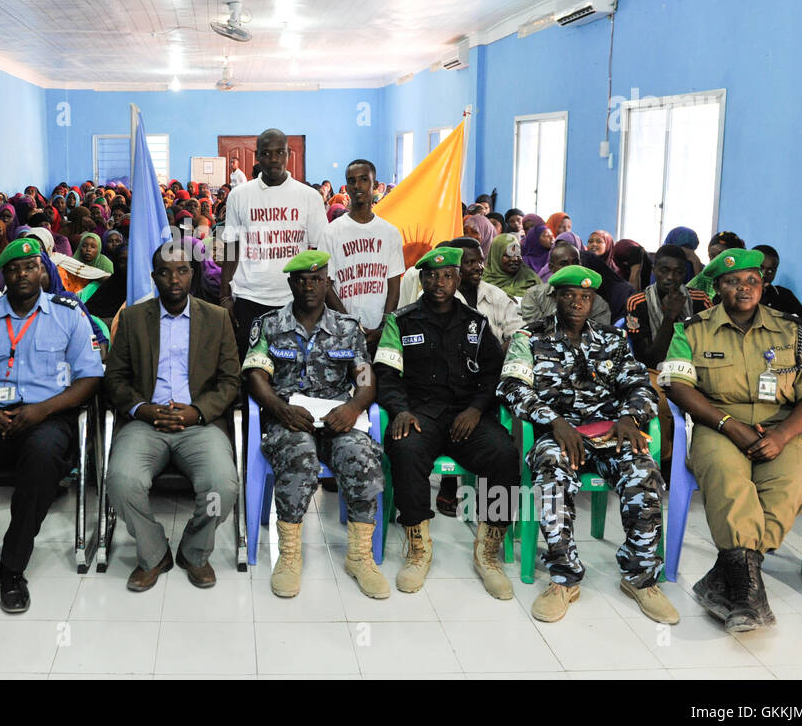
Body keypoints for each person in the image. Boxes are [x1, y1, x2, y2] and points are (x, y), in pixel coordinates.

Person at [662, 249, 802, 632]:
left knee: (790, 485)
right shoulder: (692, 329)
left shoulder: (793, 330)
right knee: (728, 480)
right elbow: (676, 386)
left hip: (781, 428)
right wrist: (728, 424)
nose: (744, 288)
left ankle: (731, 579)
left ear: (763, 284)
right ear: (717, 288)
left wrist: (784, 434)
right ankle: (747, 596)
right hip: (718, 427)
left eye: (752, 281)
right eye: (732, 281)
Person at [499, 265, 678, 625]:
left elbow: (641, 386)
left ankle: (641, 578)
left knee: (643, 472)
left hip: (612, 433)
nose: (578, 303)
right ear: (555, 297)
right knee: (551, 476)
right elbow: (512, 388)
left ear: (593, 299)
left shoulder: (612, 340)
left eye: (585, 297)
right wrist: (555, 422)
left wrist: (630, 417)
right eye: (569, 296)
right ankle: (564, 578)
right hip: (557, 434)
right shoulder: (529, 338)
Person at [0, 237, 103, 613]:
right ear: (3, 275)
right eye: (14, 268)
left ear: (43, 271)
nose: (23, 273)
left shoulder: (69, 314)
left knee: (42, 460)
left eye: (31, 267)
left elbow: (89, 378)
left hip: (46, 417)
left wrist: (42, 411)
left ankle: (12, 565)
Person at [242, 251, 388, 599]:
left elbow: (366, 378)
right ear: (291, 283)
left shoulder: (347, 328)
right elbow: (256, 375)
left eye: (317, 279)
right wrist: (280, 409)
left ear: (327, 283)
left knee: (361, 455)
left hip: (338, 416)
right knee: (299, 455)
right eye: (302, 280)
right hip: (289, 417)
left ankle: (359, 556)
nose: (309, 286)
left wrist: (353, 408)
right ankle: (290, 555)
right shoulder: (269, 325)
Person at [374, 246, 519, 599]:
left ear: (457, 279)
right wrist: (399, 410)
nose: (440, 282)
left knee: (504, 453)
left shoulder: (476, 323)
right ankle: (418, 547)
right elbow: (386, 375)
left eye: (447, 276)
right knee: (405, 450)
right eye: (432, 276)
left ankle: (488, 550)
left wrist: (476, 409)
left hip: (465, 416)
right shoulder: (400, 321)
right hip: (419, 414)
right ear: (421, 280)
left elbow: (492, 375)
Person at [103, 241, 241, 590]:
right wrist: (142, 409)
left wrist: (197, 412)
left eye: (181, 270)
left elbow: (230, 381)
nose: (174, 279)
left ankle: (195, 551)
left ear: (192, 274)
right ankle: (153, 553)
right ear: (154, 277)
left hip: (198, 423)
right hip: (146, 423)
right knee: (121, 481)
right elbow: (114, 378)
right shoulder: (133, 318)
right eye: (165, 272)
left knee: (221, 487)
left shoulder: (217, 318)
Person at [220, 128, 328, 356]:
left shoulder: (309, 197)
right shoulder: (239, 195)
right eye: (267, 153)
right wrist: (225, 297)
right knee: (250, 366)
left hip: (294, 299)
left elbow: (320, 253)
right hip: (249, 297)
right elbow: (231, 247)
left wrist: (319, 299)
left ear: (288, 154)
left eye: (280, 152)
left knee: (294, 367)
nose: (274, 159)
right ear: (258, 156)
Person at [624, 245, 713, 469]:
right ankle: (667, 459)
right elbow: (648, 358)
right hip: (656, 370)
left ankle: (705, 458)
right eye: (664, 270)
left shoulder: (701, 300)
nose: (670, 278)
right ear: (654, 269)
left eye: (678, 272)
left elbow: (710, 344)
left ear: (686, 274)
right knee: (660, 399)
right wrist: (670, 316)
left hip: (697, 368)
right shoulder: (638, 302)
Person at [319, 159, 404, 351]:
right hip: (341, 330)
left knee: (378, 379)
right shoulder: (331, 232)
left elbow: (394, 285)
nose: (357, 185)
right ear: (346, 188)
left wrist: (384, 325)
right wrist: (351, 326)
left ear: (374, 185)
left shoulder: (390, 233)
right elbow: (326, 286)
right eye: (351, 181)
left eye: (364, 179)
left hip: (379, 330)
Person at [518, 241, 612, 326]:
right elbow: (535, 331)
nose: (571, 268)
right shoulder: (534, 295)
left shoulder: (597, 303)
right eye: (563, 264)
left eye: (575, 263)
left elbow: (598, 337)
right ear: (551, 268)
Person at [753, 244, 802, 325]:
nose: (764, 274)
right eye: (760, 268)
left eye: (770, 271)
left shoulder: (784, 296)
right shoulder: (733, 296)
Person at [482, 234, 540, 300]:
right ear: (496, 256)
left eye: (518, 254)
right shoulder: (483, 282)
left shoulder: (530, 278)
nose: (514, 259)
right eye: (508, 255)